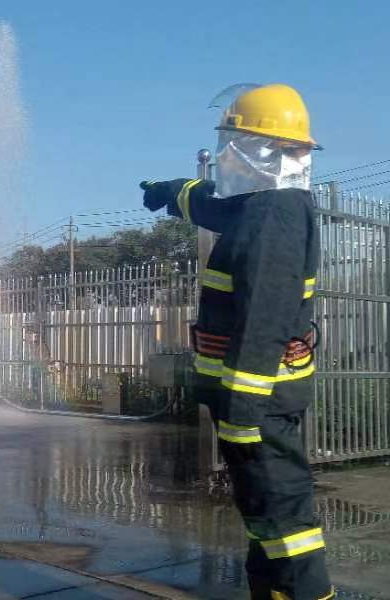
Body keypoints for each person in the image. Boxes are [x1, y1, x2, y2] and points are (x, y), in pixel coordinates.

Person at [141, 83, 333, 600]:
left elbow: (264, 317)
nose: (227, 153)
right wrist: (172, 191)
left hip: (258, 401)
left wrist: (244, 410)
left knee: (283, 518)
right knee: (263, 515)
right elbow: (216, 205)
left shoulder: (274, 216)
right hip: (259, 399)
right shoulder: (266, 205)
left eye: (235, 142)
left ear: (259, 149)